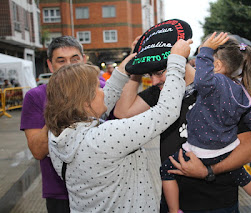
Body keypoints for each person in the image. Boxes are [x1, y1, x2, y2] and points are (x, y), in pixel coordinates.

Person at [114, 36, 251, 212]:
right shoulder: (160, 92)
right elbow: (121, 113)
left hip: (216, 203)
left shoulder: (219, 89)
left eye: (160, 72)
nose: (154, 81)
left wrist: (208, 171)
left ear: (180, 60)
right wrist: (137, 64)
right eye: (149, 75)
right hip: (174, 204)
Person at [45, 38, 192, 212]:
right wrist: (176, 62)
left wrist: (126, 67)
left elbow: (103, 98)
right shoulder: (103, 137)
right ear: (85, 102)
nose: (102, 91)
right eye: (97, 88)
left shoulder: (57, 135)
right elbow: (166, 111)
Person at [160, 32, 251, 213]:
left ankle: (175, 211)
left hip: (200, 149)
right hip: (226, 149)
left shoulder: (213, 85)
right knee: (241, 175)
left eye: (203, 61)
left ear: (217, 65)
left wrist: (205, 50)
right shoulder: (240, 90)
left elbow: (201, 80)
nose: (199, 65)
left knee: (166, 170)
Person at [20, 36, 87, 213]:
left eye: (75, 59)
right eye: (61, 61)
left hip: (104, 188)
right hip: (59, 193)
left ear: (84, 60)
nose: (69, 66)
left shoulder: (102, 90)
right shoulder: (35, 97)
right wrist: (60, 109)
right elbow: (37, 151)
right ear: (50, 66)